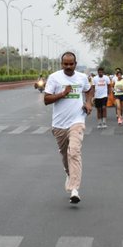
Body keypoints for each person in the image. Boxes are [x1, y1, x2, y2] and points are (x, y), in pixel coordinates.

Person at [43, 51, 93, 203]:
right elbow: (46, 99)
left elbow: (89, 89)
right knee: (65, 156)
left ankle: (74, 190)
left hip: (77, 120)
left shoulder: (82, 77)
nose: (69, 66)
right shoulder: (54, 78)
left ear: (75, 64)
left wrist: (89, 102)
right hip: (59, 124)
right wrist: (62, 94)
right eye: (66, 64)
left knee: (74, 152)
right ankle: (69, 174)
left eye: (71, 64)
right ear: (62, 64)